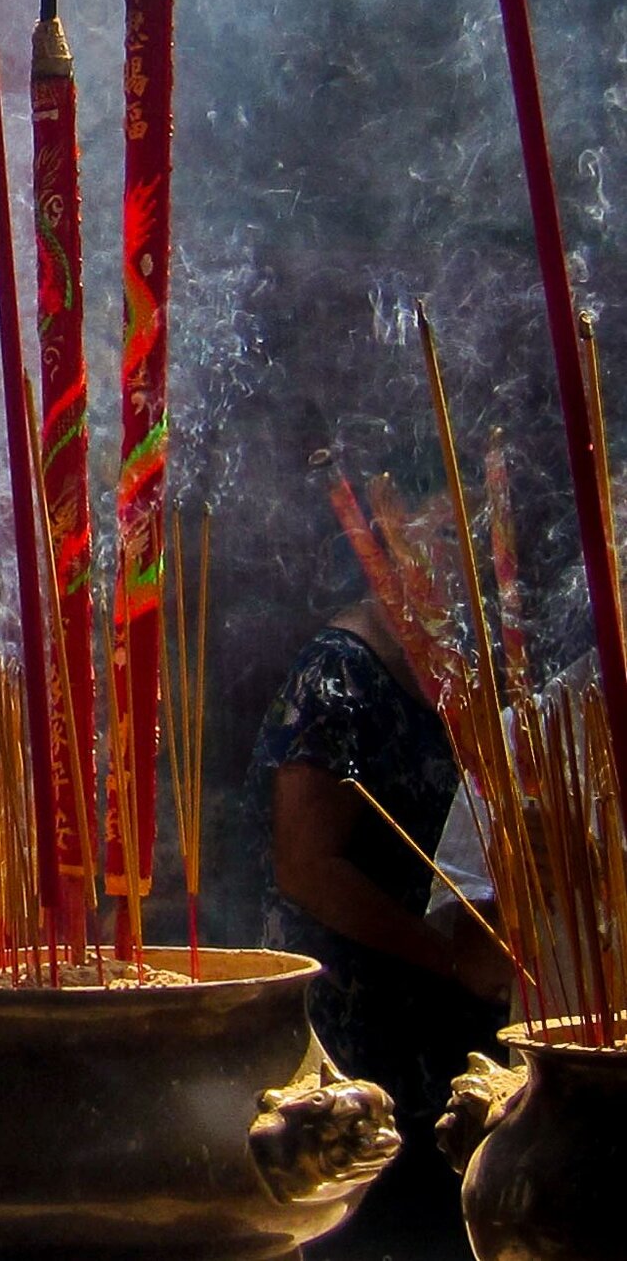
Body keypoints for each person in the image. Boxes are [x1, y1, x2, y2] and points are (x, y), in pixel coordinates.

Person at [245, 512, 508, 1253]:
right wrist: (450, 957)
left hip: (445, 1017)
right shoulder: (337, 673)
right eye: (441, 532)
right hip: (358, 1025)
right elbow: (307, 867)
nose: (463, 559)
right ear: (383, 535)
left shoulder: (452, 659)